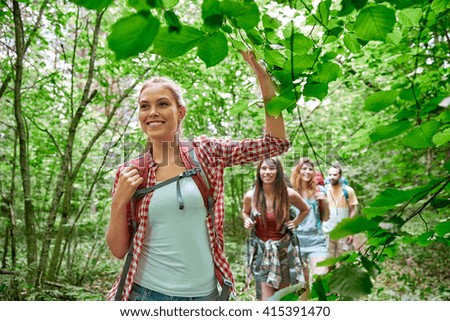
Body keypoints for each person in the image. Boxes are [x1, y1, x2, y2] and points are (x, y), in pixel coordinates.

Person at [105, 51, 290, 301]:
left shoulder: (207, 154)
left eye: (163, 104)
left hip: (206, 297)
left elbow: (274, 144)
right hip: (146, 295)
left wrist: (263, 79)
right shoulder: (131, 172)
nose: (152, 112)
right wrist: (118, 201)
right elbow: (118, 251)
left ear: (180, 112)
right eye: (144, 106)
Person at [242, 158, 310, 301]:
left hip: (284, 251)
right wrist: (247, 220)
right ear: (259, 171)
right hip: (262, 252)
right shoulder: (251, 195)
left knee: (283, 297)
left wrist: (295, 222)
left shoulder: (288, 193)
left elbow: (305, 209)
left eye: (272, 168)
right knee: (266, 300)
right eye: (264, 168)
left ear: (278, 171)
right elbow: (245, 212)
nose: (267, 172)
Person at [290, 158, 330, 278]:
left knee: (321, 277)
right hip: (295, 240)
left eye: (310, 169)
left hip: (316, 239)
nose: (307, 172)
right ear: (298, 170)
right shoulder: (290, 192)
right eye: (304, 168)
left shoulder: (320, 190)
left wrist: (325, 201)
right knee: (301, 282)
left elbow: (326, 217)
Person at [321, 164, 358, 257]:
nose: (331, 177)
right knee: (328, 262)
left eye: (335, 175)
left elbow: (352, 212)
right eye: (330, 175)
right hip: (327, 231)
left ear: (340, 175)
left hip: (343, 231)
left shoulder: (348, 191)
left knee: (344, 260)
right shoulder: (324, 191)